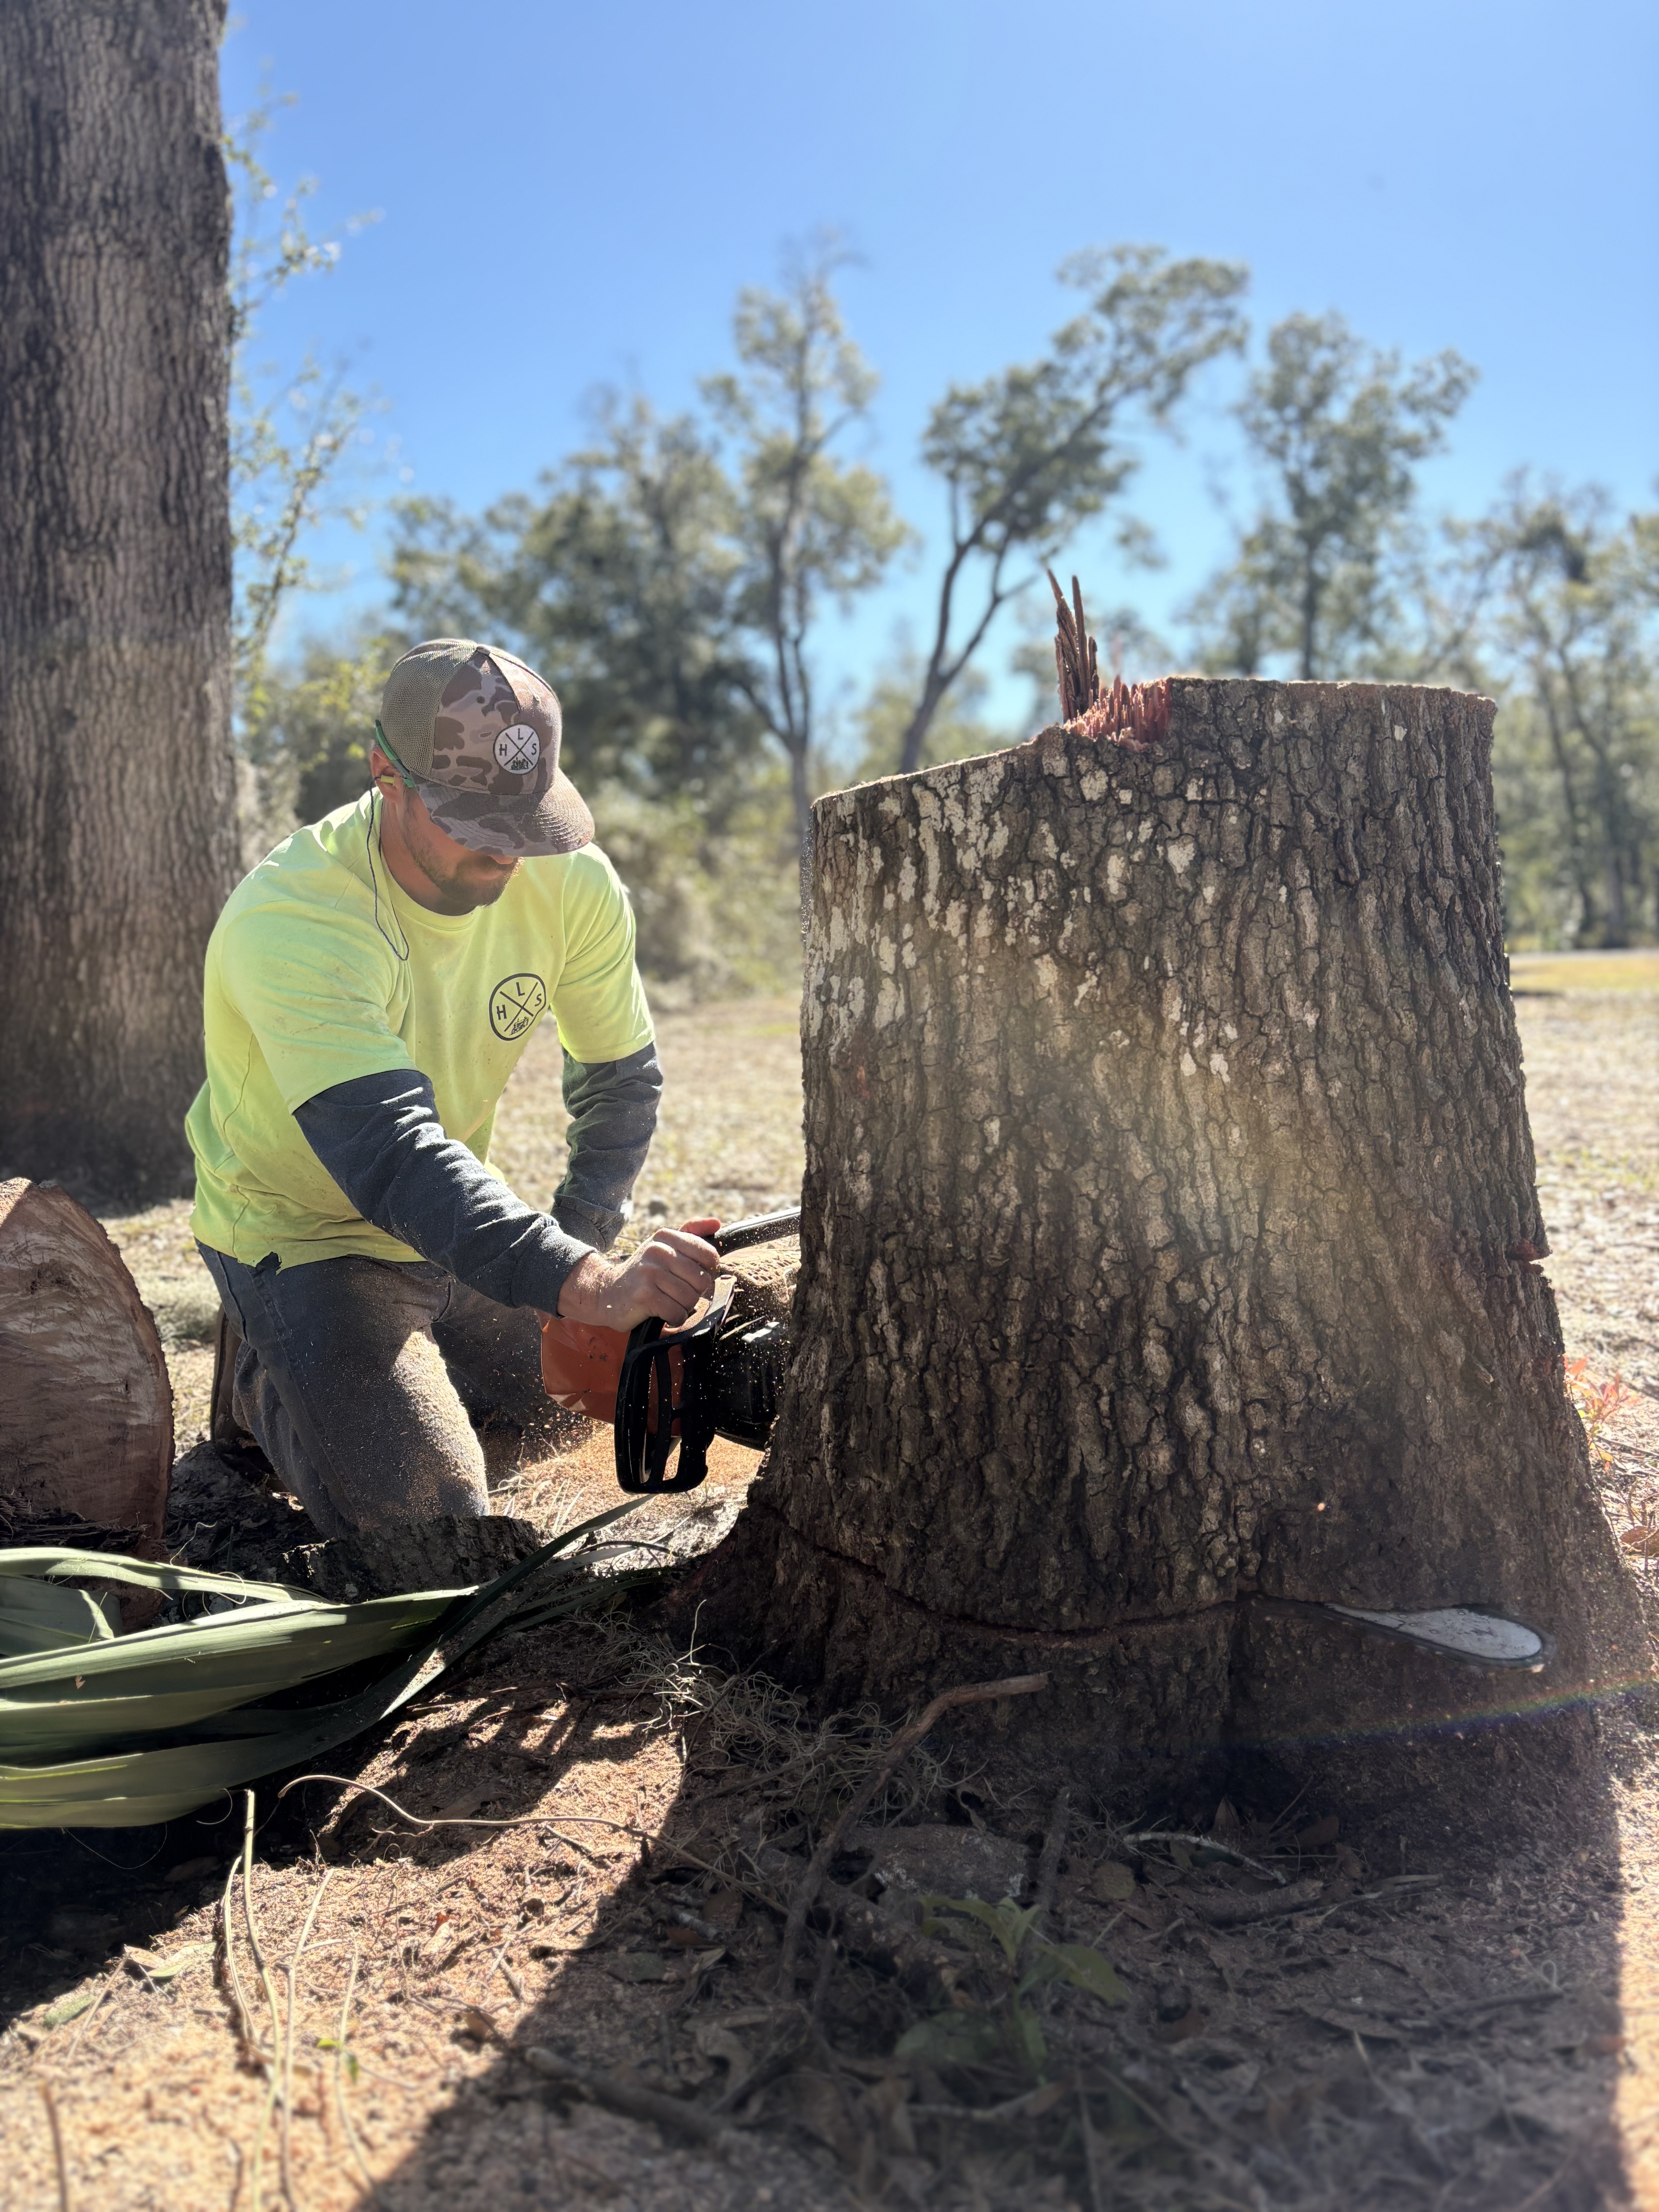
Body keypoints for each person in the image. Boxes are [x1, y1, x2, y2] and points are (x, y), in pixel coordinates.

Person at [187, 637, 720, 1537]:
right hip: (305, 1231)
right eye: (476, 824)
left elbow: (620, 1081)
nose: (510, 853)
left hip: (445, 1223)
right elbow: (390, 1155)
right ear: (385, 778)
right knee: (434, 1535)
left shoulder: (574, 884)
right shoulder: (296, 917)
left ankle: (392, 1359)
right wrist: (584, 1285)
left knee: (578, 1407)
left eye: (528, 821)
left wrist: (581, 1248)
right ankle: (266, 1369)